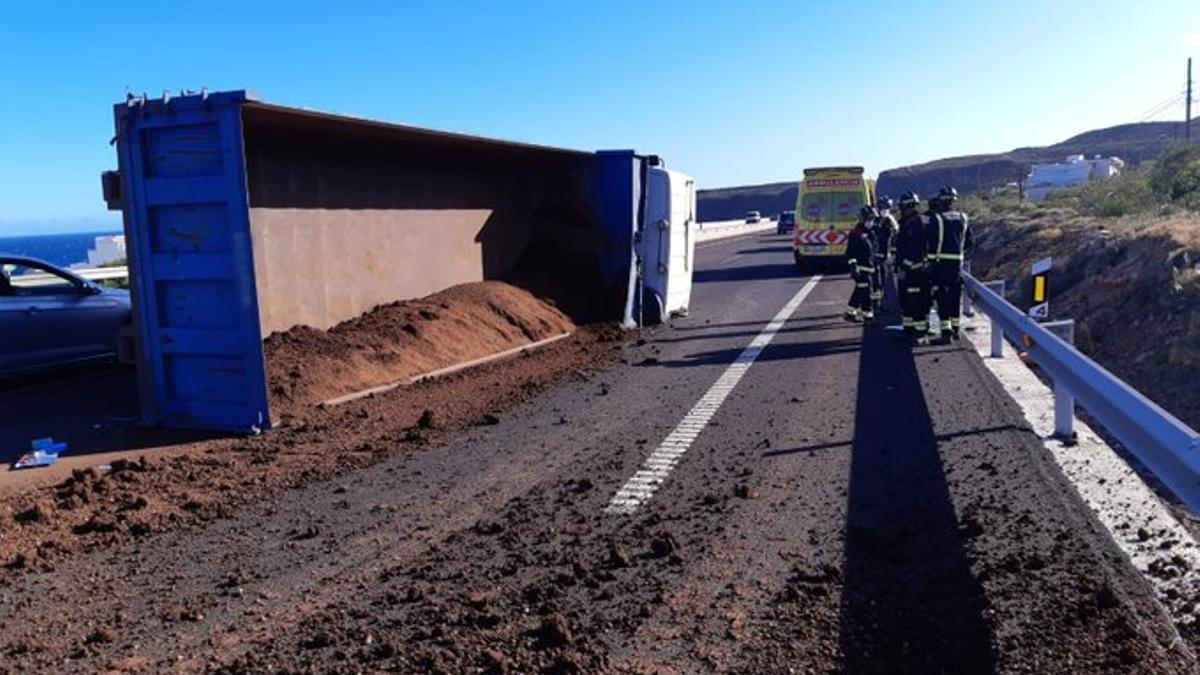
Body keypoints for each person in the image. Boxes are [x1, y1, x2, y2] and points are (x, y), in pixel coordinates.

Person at [925, 185, 972, 342]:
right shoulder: (963, 218)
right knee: (954, 296)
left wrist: (930, 264)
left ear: (941, 201)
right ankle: (956, 330)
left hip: (940, 264)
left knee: (941, 297)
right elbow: (970, 242)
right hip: (957, 265)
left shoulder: (937, 219)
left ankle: (946, 333)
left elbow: (931, 244)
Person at [893, 192, 931, 340]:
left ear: (909, 206)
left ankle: (919, 332)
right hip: (908, 271)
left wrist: (905, 267)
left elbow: (915, 250)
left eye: (903, 206)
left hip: (915, 272)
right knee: (906, 301)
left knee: (916, 302)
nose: (901, 209)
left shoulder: (916, 223)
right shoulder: (907, 222)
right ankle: (909, 329)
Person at [844, 206, 877, 322]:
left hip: (869, 268)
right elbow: (850, 252)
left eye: (873, 219)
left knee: (859, 290)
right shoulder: (856, 233)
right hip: (861, 269)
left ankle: (850, 312)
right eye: (869, 219)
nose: (871, 221)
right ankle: (868, 315)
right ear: (862, 219)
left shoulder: (871, 232)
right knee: (866, 291)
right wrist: (853, 266)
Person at [871, 196, 898, 308]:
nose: (884, 210)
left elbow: (896, 235)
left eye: (887, 208)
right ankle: (874, 304)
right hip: (873, 256)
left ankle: (882, 303)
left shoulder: (890, 220)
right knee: (874, 281)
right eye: (882, 207)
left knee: (884, 280)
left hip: (886, 256)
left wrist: (894, 255)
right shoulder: (873, 220)